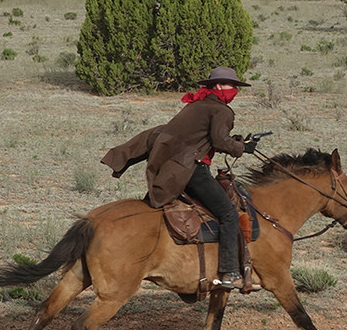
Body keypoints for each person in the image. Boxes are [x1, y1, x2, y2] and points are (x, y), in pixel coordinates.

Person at [101, 66, 261, 290]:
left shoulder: (196, 105)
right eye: (229, 85)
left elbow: (201, 138)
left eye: (234, 86)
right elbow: (219, 141)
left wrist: (235, 142)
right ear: (217, 86)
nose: (233, 89)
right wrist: (242, 148)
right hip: (192, 171)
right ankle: (229, 272)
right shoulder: (222, 111)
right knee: (228, 214)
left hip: (170, 169)